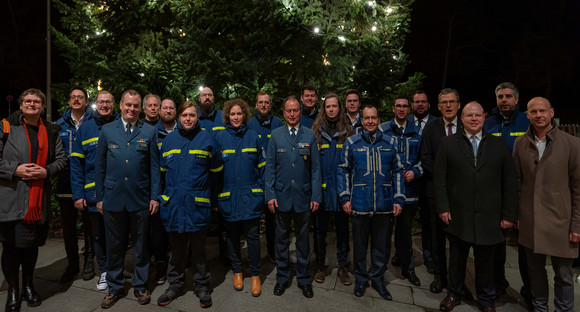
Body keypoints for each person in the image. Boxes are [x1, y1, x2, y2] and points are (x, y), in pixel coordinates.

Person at [434, 102, 518, 312]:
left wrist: (509, 214)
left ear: (484, 118)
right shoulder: (448, 143)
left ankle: (486, 298)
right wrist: (443, 207)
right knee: (457, 259)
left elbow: (509, 181)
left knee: (486, 262)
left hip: (489, 216)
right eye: (469, 115)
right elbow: (440, 179)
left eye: (478, 115)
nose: (473, 119)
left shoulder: (499, 146)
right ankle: (454, 293)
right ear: (461, 118)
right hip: (458, 214)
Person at [0, 89, 66, 311]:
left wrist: (46, 172)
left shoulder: (51, 131)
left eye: (37, 101)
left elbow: (61, 160)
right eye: (27, 101)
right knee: (10, 248)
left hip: (37, 201)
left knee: (30, 247)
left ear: (43, 107)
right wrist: (15, 169)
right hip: (10, 198)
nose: (32, 104)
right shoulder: (6, 127)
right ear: (20, 105)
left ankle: (28, 285)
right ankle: (13, 290)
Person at [513, 97, 580, 312]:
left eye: (543, 111)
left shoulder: (572, 144)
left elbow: (578, 188)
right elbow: (516, 182)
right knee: (535, 272)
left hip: (561, 222)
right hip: (530, 220)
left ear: (552, 113)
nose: (539, 115)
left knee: (563, 275)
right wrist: (516, 214)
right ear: (528, 115)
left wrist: (576, 225)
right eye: (534, 111)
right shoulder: (520, 143)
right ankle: (540, 308)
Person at [95, 90, 160, 308]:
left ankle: (140, 285)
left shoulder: (149, 131)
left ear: (139, 108)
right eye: (128, 105)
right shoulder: (106, 130)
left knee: (141, 245)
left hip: (140, 199)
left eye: (135, 106)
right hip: (112, 199)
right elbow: (100, 167)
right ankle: (114, 287)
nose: (131, 109)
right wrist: (100, 197)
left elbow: (154, 169)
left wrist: (154, 197)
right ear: (120, 105)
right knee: (115, 245)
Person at [157, 101, 223, 308]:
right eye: (184, 115)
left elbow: (217, 175)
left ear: (197, 118)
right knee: (176, 251)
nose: (188, 119)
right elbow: (161, 175)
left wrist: (213, 200)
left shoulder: (208, 140)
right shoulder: (169, 141)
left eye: (192, 115)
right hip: (174, 206)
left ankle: (202, 285)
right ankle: (174, 285)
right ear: (178, 116)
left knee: (199, 251)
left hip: (197, 206)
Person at [338, 104, 405, 300]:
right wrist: (345, 197)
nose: (369, 122)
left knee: (382, 246)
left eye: (373, 118)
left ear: (378, 119)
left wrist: (399, 198)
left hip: (384, 204)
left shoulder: (390, 142)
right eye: (366, 118)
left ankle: (377, 278)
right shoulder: (352, 142)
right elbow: (342, 170)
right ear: (362, 120)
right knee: (359, 245)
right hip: (359, 203)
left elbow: (399, 172)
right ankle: (360, 278)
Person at [265, 96, 322, 298]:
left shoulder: (309, 135)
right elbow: (269, 168)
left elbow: (315, 169)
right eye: (288, 111)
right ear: (283, 112)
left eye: (296, 110)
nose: (292, 114)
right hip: (280, 197)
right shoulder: (275, 136)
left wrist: (316, 196)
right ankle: (282, 278)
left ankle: (304, 279)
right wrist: (270, 194)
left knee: (303, 241)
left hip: (303, 197)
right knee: (280, 240)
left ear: (300, 111)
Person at [483, 82, 532, 302]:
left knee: (526, 245)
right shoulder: (487, 124)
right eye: (500, 96)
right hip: (495, 193)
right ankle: (497, 284)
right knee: (496, 243)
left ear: (516, 99)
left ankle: (530, 290)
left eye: (509, 96)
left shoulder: (527, 121)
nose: (504, 100)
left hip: (523, 192)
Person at [215, 98, 265, 297]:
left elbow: (262, 169)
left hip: (251, 196)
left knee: (253, 237)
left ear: (245, 115)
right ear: (228, 116)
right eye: (233, 114)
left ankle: (254, 274)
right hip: (228, 197)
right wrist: (216, 197)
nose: (236, 117)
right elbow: (215, 172)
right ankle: (237, 271)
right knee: (233, 236)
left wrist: (262, 193)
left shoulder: (254, 137)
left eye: (239, 113)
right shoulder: (219, 138)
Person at [70, 90, 118, 291]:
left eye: (108, 102)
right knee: (97, 235)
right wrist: (78, 194)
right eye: (101, 102)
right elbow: (76, 164)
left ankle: (117, 268)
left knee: (117, 234)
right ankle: (105, 270)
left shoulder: (121, 125)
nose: (105, 105)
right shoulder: (86, 128)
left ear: (114, 104)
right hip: (93, 195)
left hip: (118, 193)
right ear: (95, 104)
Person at [420, 88, 462, 293]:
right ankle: (440, 276)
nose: (448, 105)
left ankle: (458, 280)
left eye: (451, 102)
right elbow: (425, 157)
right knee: (436, 238)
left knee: (459, 239)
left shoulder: (467, 126)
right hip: (434, 192)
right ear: (438, 106)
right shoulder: (431, 127)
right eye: (444, 102)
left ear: (458, 104)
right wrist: (442, 177)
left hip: (461, 192)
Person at [379, 95, 422, 287]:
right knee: (383, 233)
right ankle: (379, 271)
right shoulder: (383, 130)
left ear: (409, 109)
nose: (402, 109)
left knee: (405, 233)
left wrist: (415, 171)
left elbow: (425, 159)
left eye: (405, 106)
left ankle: (408, 268)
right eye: (399, 106)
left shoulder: (417, 132)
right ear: (393, 108)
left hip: (409, 191)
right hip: (387, 191)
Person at [311, 94, 353, 285]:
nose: (331, 109)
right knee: (320, 230)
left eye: (334, 106)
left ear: (339, 108)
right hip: (322, 191)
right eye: (328, 106)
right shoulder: (316, 132)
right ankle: (320, 265)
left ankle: (342, 266)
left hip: (341, 191)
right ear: (324, 109)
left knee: (343, 231)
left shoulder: (348, 132)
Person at [55, 86, 95, 283]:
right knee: (69, 228)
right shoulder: (58, 125)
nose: (77, 99)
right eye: (73, 97)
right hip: (65, 183)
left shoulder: (95, 123)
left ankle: (89, 261)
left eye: (80, 97)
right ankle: (72, 264)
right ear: (69, 101)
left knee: (90, 226)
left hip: (89, 182)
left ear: (87, 102)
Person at [247, 91, 283, 262]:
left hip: (273, 180)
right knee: (253, 220)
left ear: (270, 105)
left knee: (273, 220)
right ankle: (253, 254)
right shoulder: (249, 124)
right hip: (253, 179)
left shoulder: (277, 124)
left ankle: (273, 252)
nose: (263, 105)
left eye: (266, 102)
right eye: (260, 102)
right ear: (256, 104)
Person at [407, 90, 437, 274]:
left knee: (428, 222)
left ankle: (429, 256)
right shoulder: (406, 120)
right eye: (416, 102)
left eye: (423, 102)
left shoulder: (436, 123)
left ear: (429, 105)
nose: (420, 105)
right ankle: (403, 253)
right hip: (409, 179)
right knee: (405, 222)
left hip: (428, 179)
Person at [151, 97, 177, 285]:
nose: (168, 111)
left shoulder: (185, 131)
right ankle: (161, 267)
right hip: (159, 189)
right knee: (158, 232)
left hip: (179, 189)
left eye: (171, 108)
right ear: (160, 111)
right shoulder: (152, 133)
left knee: (178, 230)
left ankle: (179, 264)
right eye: (165, 108)